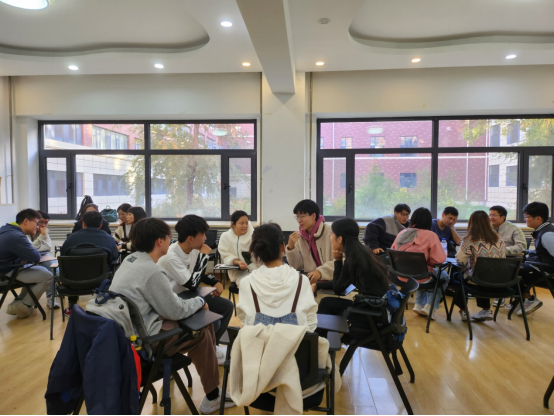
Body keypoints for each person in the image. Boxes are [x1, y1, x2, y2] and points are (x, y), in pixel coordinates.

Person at [108, 218, 235, 414]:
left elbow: (168, 300)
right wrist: (199, 302)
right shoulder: (152, 270)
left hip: (128, 333)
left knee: (202, 321)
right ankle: (212, 396)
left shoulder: (130, 260)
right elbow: (175, 310)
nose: (171, 240)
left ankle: (213, 387)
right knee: (202, 330)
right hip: (145, 340)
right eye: (169, 237)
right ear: (160, 241)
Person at [158, 215, 233, 364]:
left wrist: (215, 281)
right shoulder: (171, 256)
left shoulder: (193, 249)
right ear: (190, 238)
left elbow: (198, 273)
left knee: (227, 306)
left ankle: (213, 346)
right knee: (213, 322)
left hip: (190, 295)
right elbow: (192, 283)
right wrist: (204, 256)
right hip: (176, 301)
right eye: (203, 235)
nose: (205, 238)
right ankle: (208, 349)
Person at [237, 223, 318, 331]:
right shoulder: (302, 281)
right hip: (296, 342)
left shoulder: (246, 283)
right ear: (283, 246)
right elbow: (311, 323)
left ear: (256, 251)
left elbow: (245, 321)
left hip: (258, 342)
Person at [317, 218, 390, 336]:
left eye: (332, 234)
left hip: (371, 314)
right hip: (378, 308)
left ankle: (320, 340)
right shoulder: (362, 252)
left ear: (340, 239)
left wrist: (337, 260)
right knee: (327, 303)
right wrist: (318, 285)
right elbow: (342, 281)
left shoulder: (353, 259)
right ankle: (324, 339)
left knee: (326, 303)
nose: (330, 237)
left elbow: (337, 288)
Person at [391, 208, 449, 320]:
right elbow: (440, 259)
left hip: (401, 276)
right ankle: (430, 307)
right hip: (421, 277)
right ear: (428, 221)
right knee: (443, 277)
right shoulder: (431, 235)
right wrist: (429, 262)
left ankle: (419, 305)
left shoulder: (402, 233)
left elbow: (394, 252)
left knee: (424, 271)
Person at [61, 211, 121, 315]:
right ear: (101, 224)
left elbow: (63, 257)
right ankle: (102, 305)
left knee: (72, 268)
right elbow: (114, 258)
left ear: (83, 223)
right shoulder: (109, 239)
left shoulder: (71, 239)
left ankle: (71, 306)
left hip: (72, 283)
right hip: (101, 282)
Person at [453, 211, 506, 322]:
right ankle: (486, 310)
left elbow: (460, 261)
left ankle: (463, 310)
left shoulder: (470, 240)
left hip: (479, 282)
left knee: (457, 277)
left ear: (471, 223)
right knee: (482, 273)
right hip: (500, 281)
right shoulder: (499, 238)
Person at [0, 209, 54, 319]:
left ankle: (18, 301)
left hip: (7, 268)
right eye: (36, 223)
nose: (38, 227)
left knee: (42, 270)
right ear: (26, 221)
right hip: (5, 274)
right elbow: (35, 257)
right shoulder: (17, 236)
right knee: (48, 276)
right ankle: (23, 306)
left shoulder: (6, 229)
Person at [515, 202, 554, 316]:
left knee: (512, 271)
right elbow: (545, 252)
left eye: (527, 217)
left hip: (548, 272)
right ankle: (523, 300)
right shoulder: (544, 229)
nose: (525, 219)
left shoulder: (546, 234)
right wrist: (529, 252)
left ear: (538, 218)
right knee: (514, 267)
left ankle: (529, 299)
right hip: (544, 267)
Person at [286, 200, 334, 284]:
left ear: (313, 216)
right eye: (297, 217)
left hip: (332, 281)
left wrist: (320, 272)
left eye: (302, 216)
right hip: (312, 282)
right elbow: (297, 266)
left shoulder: (331, 232)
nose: (299, 220)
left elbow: (342, 260)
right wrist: (291, 247)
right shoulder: (299, 236)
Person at [217, 210, 259, 287]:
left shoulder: (254, 236)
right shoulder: (225, 237)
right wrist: (237, 262)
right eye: (241, 223)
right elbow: (226, 256)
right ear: (233, 224)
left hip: (256, 270)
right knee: (246, 284)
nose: (245, 226)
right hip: (237, 273)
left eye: (246, 223)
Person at [30, 210, 59, 309]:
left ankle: (52, 297)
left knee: (52, 267)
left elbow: (47, 247)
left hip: (42, 256)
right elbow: (29, 249)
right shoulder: (27, 231)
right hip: (28, 259)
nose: (43, 225)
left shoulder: (44, 231)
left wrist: (36, 248)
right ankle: (50, 296)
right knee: (48, 269)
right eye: (41, 222)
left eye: (46, 223)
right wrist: (42, 237)